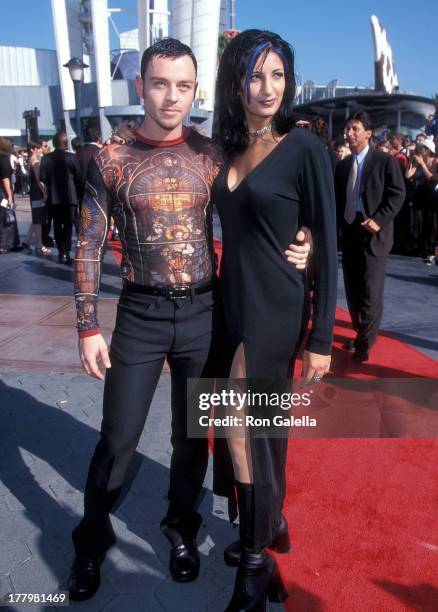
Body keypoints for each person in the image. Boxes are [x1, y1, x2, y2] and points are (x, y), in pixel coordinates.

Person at [67, 38, 311, 602]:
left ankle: (182, 528)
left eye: (182, 85)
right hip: (140, 313)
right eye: (159, 84)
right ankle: (91, 537)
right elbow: (86, 244)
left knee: (190, 440)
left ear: (195, 90)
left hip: (205, 313)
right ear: (141, 88)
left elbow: (272, 205)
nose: (171, 96)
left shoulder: (213, 154)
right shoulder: (110, 159)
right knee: (118, 437)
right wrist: (86, 325)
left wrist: (310, 239)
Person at [211, 30, 337, 610]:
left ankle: (255, 562)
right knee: (255, 434)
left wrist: (320, 339)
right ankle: (268, 522)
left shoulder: (304, 146)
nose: (267, 88)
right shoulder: (225, 147)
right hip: (229, 303)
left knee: (237, 422)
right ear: (236, 81)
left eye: (278, 76)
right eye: (256, 75)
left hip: (277, 307)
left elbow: (327, 243)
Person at [335, 112, 405, 362]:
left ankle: (365, 341)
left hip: (375, 233)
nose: (349, 133)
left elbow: (397, 194)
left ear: (368, 133)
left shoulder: (385, 162)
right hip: (351, 231)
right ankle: (360, 330)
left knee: (371, 291)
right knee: (353, 288)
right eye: (347, 129)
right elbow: (337, 200)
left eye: (355, 129)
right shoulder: (343, 166)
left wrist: (380, 219)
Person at [39, 131, 82, 264]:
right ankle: (66, 252)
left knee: (57, 225)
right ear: (65, 142)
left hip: (54, 198)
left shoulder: (46, 158)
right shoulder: (72, 157)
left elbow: (43, 178)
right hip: (70, 198)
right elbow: (79, 176)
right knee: (68, 225)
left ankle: (61, 252)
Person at [21, 140, 51, 255]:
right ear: (33, 149)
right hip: (38, 193)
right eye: (38, 148)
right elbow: (39, 180)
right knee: (38, 219)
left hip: (33, 192)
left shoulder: (30, 160)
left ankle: (27, 241)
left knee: (35, 218)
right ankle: (39, 245)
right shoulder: (35, 162)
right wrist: (45, 192)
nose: (40, 150)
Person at [0, 138, 20, 253]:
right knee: (7, 215)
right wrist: (9, 195)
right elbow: (5, 178)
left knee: (4, 215)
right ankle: (7, 243)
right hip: (3, 192)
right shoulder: (4, 159)